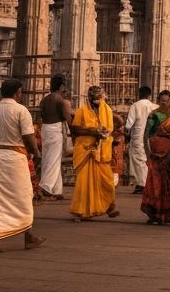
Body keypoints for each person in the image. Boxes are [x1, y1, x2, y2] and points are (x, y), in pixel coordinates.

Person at [0, 78, 45, 254]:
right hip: (15, 157)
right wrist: (36, 153)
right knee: (23, 195)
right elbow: (29, 137)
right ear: (18, 93)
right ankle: (28, 236)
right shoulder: (20, 110)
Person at [70, 85, 119, 222]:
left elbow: (110, 128)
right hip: (86, 151)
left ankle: (109, 205)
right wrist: (93, 132)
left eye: (99, 97)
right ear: (89, 98)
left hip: (102, 151)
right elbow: (76, 130)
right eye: (95, 98)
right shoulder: (82, 111)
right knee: (84, 183)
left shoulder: (107, 110)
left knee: (107, 181)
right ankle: (80, 211)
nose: (98, 100)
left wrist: (104, 134)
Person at [140, 90, 170, 225]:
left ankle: (167, 214)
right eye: (161, 100)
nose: (164, 103)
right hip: (156, 156)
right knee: (155, 185)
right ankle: (155, 214)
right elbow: (146, 136)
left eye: (166, 100)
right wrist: (147, 155)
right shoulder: (153, 115)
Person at [37, 74, 72, 201]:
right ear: (61, 86)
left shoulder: (44, 99)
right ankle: (44, 186)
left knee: (50, 158)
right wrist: (73, 133)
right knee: (53, 159)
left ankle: (57, 190)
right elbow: (67, 119)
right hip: (55, 129)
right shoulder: (60, 100)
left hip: (45, 128)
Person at [125, 85, 156, 194]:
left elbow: (129, 124)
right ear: (149, 95)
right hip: (151, 137)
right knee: (147, 160)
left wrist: (126, 135)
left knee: (139, 160)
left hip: (138, 136)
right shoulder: (154, 106)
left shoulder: (135, 106)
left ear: (139, 94)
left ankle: (143, 184)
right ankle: (143, 183)